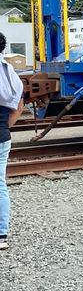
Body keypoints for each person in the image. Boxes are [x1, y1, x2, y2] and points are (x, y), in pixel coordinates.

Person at [0, 31, 25, 251]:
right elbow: (19, 107)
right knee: (0, 185)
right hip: (2, 136)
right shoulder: (10, 73)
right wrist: (5, 127)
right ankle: (1, 235)